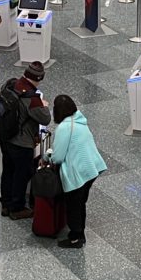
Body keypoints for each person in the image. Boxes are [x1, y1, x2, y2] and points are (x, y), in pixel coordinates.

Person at [47, 94, 107, 248]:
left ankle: (75, 238)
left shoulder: (64, 127)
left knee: (73, 205)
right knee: (80, 203)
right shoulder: (79, 121)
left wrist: (48, 156)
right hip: (91, 169)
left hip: (77, 173)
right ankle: (80, 233)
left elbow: (58, 157)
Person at [0, 61, 52, 220]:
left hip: (5, 137)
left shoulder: (10, 84)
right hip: (21, 142)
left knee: (8, 169)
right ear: (39, 78)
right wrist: (44, 105)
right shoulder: (32, 98)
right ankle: (17, 208)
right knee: (22, 174)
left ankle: (6, 203)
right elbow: (45, 119)